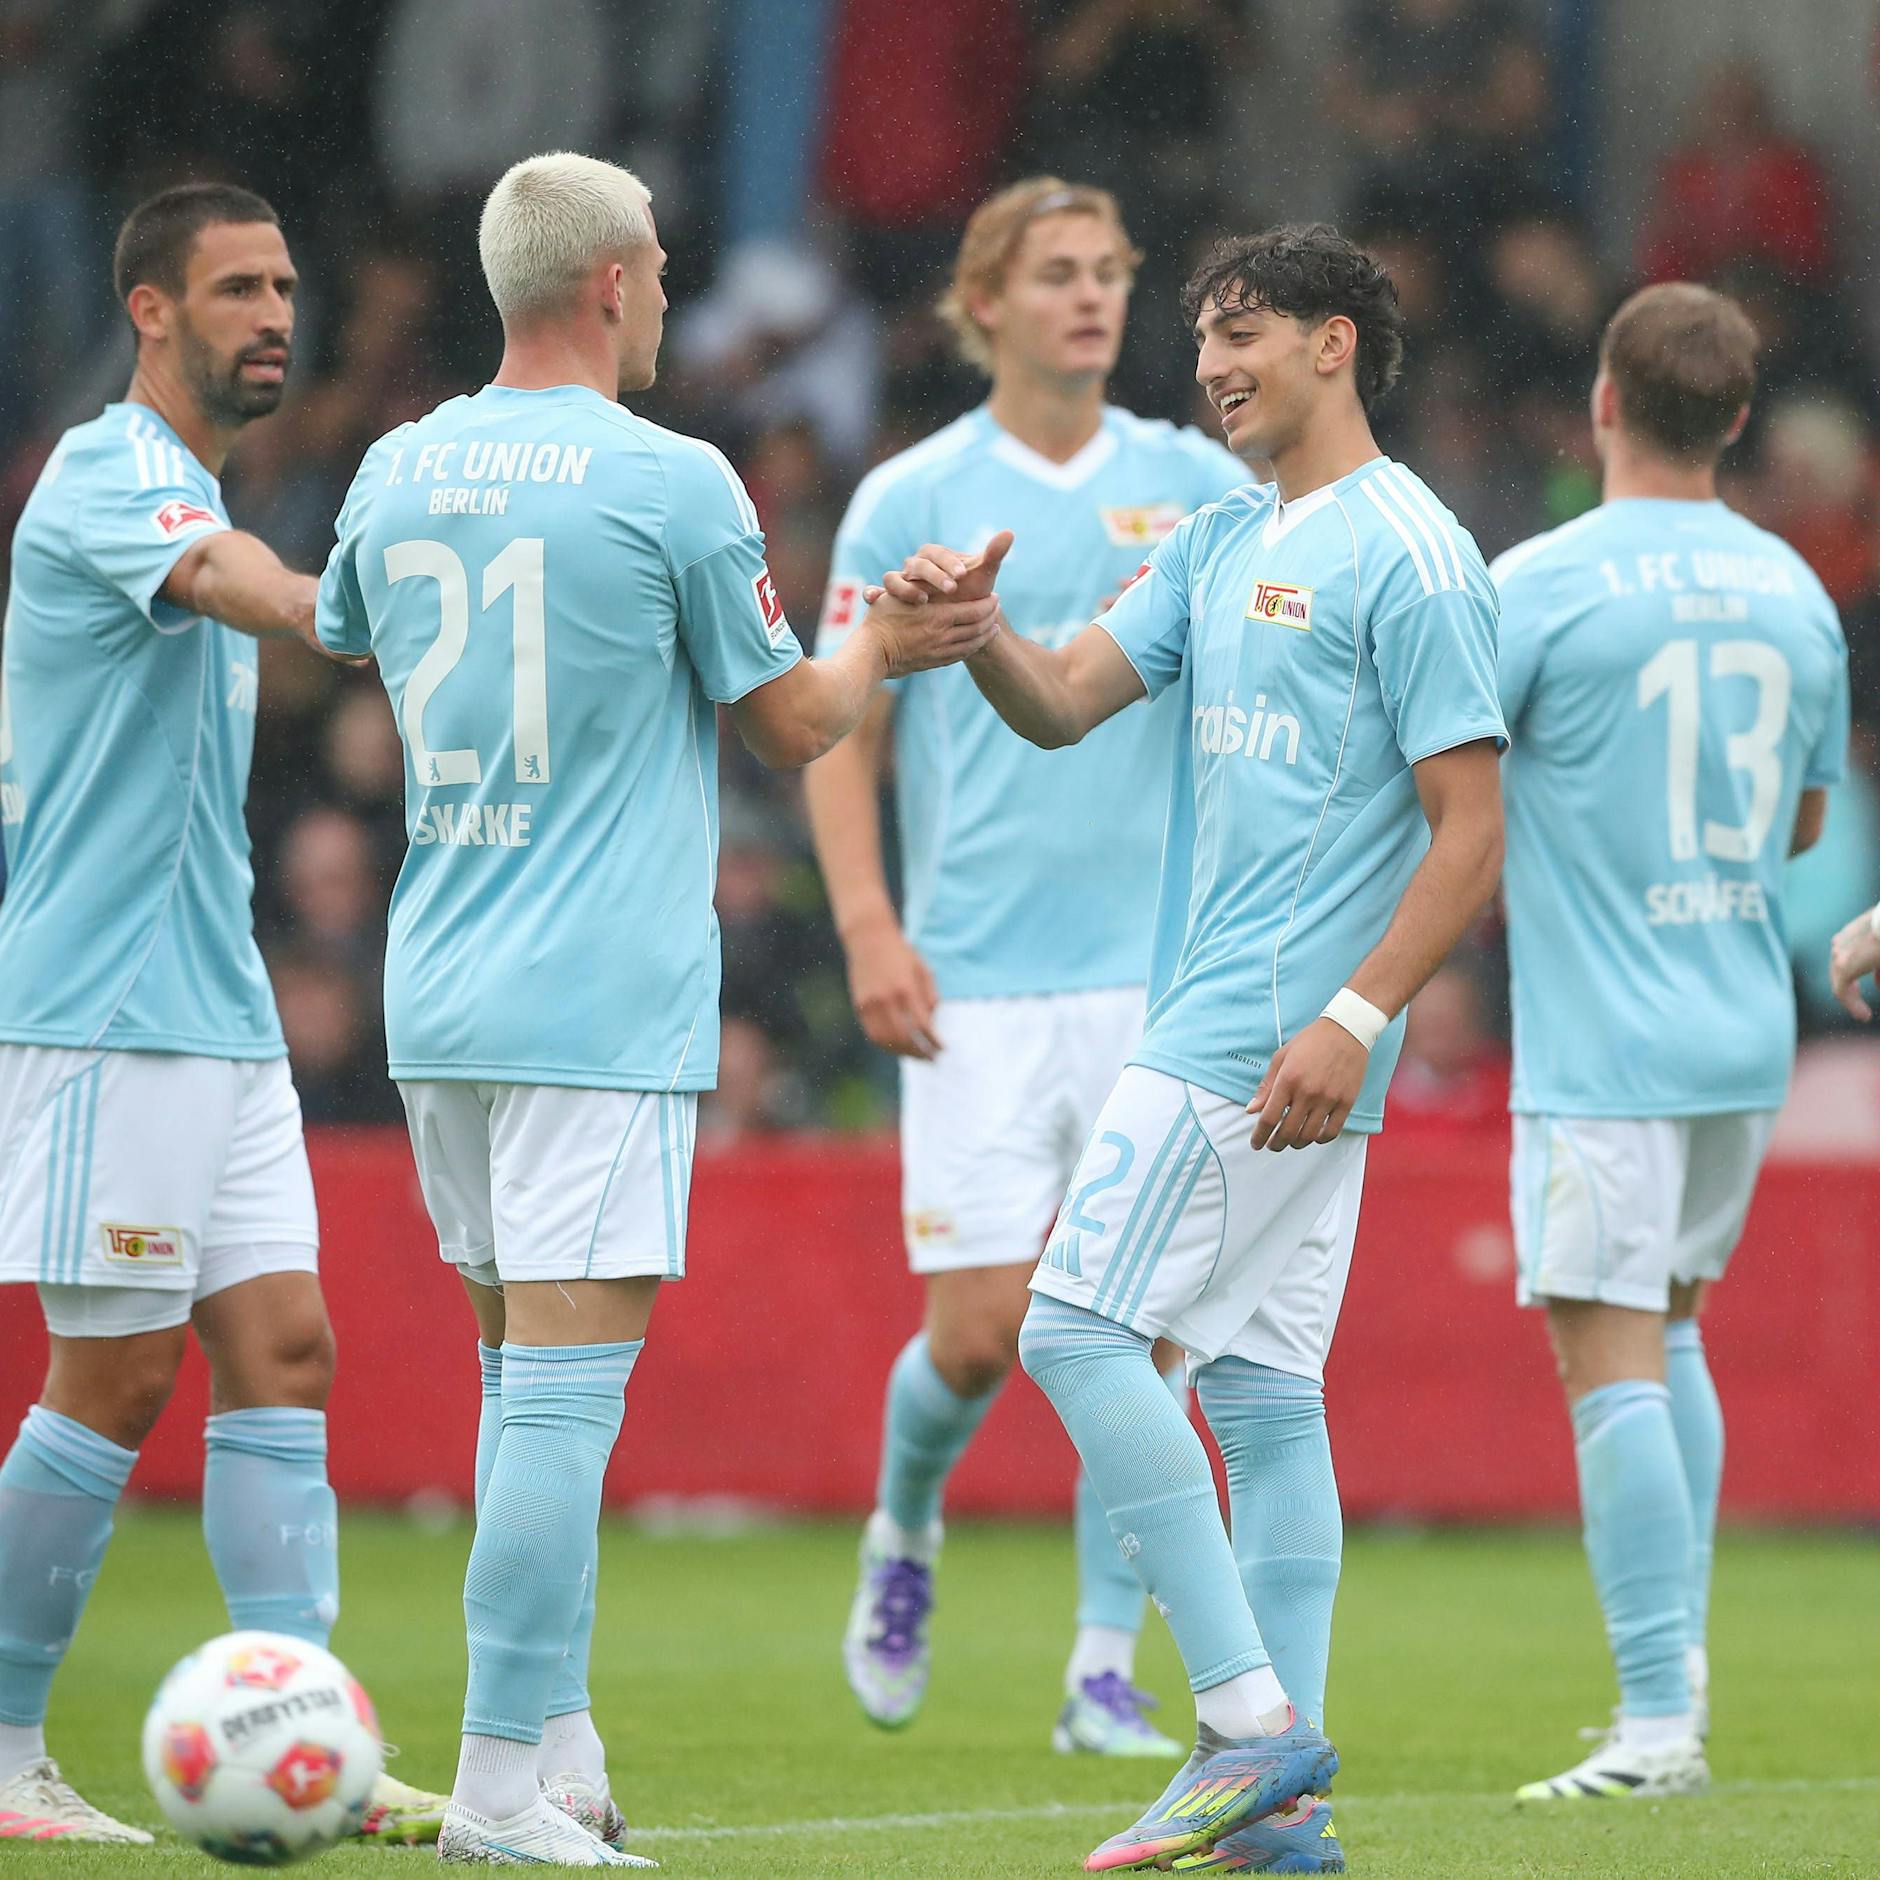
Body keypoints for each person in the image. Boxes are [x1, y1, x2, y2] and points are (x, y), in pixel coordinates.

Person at [314, 151, 998, 1868]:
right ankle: (491, 1791)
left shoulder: (398, 466)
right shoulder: (674, 477)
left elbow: (347, 636)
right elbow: (788, 727)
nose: (675, 295)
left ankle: (557, 1745)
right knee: (560, 1398)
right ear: (614, 280)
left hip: (442, 981)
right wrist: (882, 650)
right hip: (594, 990)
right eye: (668, 270)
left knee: (507, 1377)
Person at [879, 222, 1505, 1873]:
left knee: (1075, 1335)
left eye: (1246, 332)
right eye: (1204, 336)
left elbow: (1470, 830)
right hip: (1252, 1029)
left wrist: (1354, 1022)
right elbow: (1069, 695)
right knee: (1266, 1399)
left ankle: (1240, 1724)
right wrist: (975, 633)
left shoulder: (1414, 551)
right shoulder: (1224, 534)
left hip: (1262, 1035)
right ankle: (1284, 1822)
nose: (1213, 362)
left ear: (1337, 347)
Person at [0, 183, 446, 1844]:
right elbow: (246, 583)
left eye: (285, 284)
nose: (275, 313)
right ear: (148, 310)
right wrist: (367, 608)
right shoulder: (115, 472)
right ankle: (3, 1753)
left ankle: (303, 1740)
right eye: (238, 287)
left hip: (215, 1001)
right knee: (108, 1383)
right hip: (106, 1009)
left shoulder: (186, 477)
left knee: (287, 1352)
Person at [804, 176, 1245, 1757]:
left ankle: (1100, 1671)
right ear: (983, 300)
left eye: (1112, 273)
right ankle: (905, 1525)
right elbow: (835, 726)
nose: (1090, 298)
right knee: (986, 1333)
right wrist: (868, 923)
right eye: (1057, 273)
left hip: (1157, 978)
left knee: (1136, 1342)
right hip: (976, 973)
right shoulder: (907, 495)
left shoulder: (1199, 481)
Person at [1492, 283, 1847, 1801]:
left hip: (1606, 1038)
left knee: (1608, 1350)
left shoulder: (1544, 582)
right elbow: (1810, 819)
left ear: (1604, 404)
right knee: (1676, 1323)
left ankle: (1653, 1728)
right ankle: (1676, 1684)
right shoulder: (1796, 589)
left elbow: (1444, 788)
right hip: (1739, 1020)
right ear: (1742, 421)